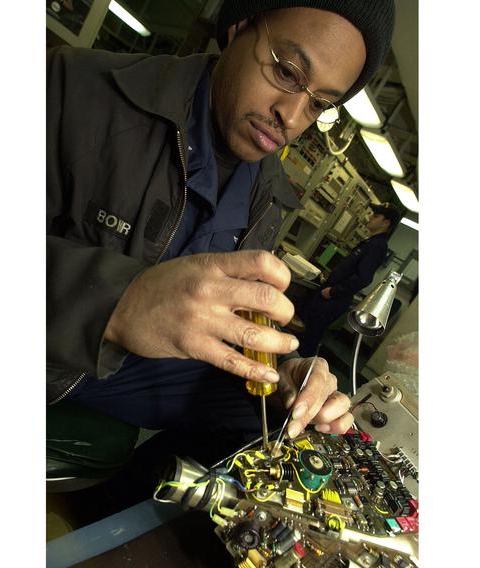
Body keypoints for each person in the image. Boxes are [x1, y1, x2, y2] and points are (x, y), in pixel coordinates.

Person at [47, 0, 396, 466]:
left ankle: (121, 522)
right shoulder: (73, 88)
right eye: (288, 72)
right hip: (56, 356)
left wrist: (278, 376)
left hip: (141, 374)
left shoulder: (268, 192)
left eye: (319, 104)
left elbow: (222, 323)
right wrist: (119, 302)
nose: (292, 116)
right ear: (239, 27)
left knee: (275, 426)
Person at [293, 202, 403, 358]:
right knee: (305, 330)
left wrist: (333, 291)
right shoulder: (371, 242)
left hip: (332, 298)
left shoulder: (377, 246)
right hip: (330, 294)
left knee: (307, 335)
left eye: (376, 216)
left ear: (386, 223)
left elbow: (363, 278)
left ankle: (293, 368)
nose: (370, 217)